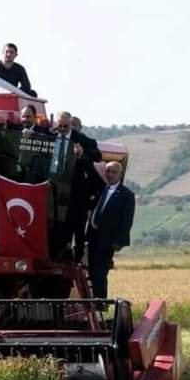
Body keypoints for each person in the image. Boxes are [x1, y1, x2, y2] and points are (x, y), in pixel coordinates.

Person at [53, 112, 103, 261]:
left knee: (78, 227)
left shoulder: (83, 140)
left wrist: (82, 155)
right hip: (54, 190)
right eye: (59, 126)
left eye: (65, 126)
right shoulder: (50, 136)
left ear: (71, 125)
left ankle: (76, 257)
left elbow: (97, 156)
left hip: (76, 193)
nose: (62, 129)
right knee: (57, 227)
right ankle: (59, 253)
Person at [86, 161, 135, 298]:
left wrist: (119, 241)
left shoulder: (126, 195)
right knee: (92, 271)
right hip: (93, 236)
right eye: (108, 171)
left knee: (100, 273)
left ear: (120, 174)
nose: (110, 174)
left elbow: (127, 221)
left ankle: (100, 303)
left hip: (108, 240)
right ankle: (94, 301)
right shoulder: (101, 189)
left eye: (114, 172)